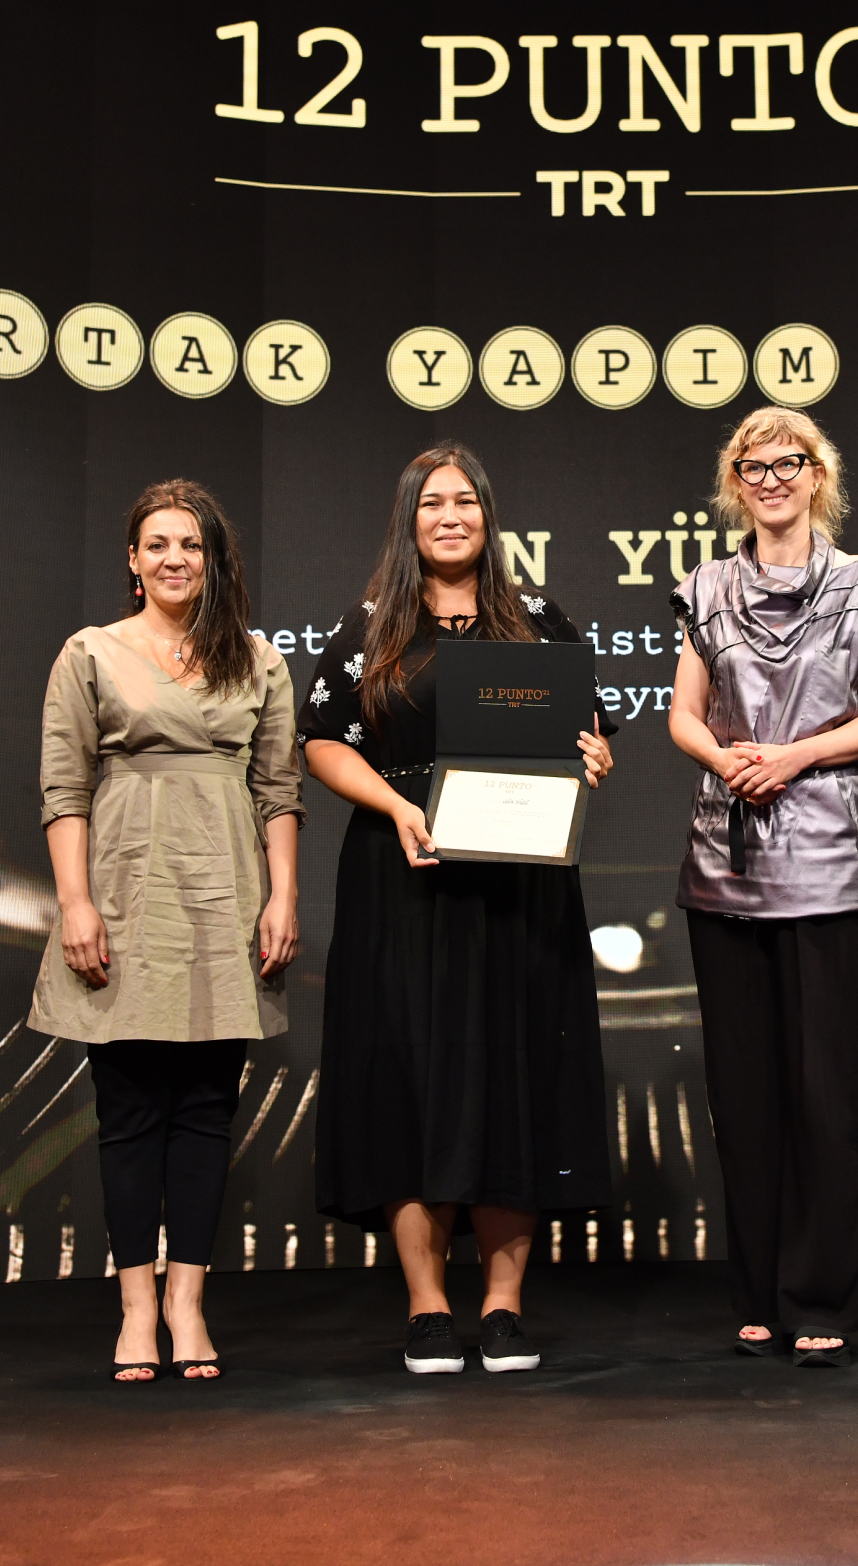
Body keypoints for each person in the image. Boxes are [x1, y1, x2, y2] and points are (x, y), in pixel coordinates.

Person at [301, 443, 616, 1376]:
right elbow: (322, 741)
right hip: (405, 876)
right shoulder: (371, 624)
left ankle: (505, 1305)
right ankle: (428, 1305)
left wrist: (594, 756)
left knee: (514, 1076)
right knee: (410, 1077)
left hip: (518, 887)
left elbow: (590, 729)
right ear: (410, 519)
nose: (450, 516)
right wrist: (396, 805)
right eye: (432, 502)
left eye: (465, 500)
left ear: (488, 514)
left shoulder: (539, 620)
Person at [667, 408, 858, 1367]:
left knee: (828, 1097)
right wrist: (728, 759)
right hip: (725, 866)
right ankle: (757, 1292)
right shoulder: (705, 586)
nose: (773, 478)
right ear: (734, 482)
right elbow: (683, 715)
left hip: (830, 867)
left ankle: (821, 1295)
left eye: (790, 462)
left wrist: (796, 755)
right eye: (754, 465)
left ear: (820, 475)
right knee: (744, 1101)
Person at [30, 480, 302, 1384]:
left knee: (206, 1111)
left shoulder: (257, 660)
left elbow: (279, 790)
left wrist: (283, 895)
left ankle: (188, 1302)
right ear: (133, 560)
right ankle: (136, 1308)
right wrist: (76, 903)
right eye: (158, 543)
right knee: (130, 1113)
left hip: (226, 893)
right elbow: (64, 787)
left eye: (192, 544)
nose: (175, 558)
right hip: (126, 889)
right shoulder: (91, 652)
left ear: (214, 560)